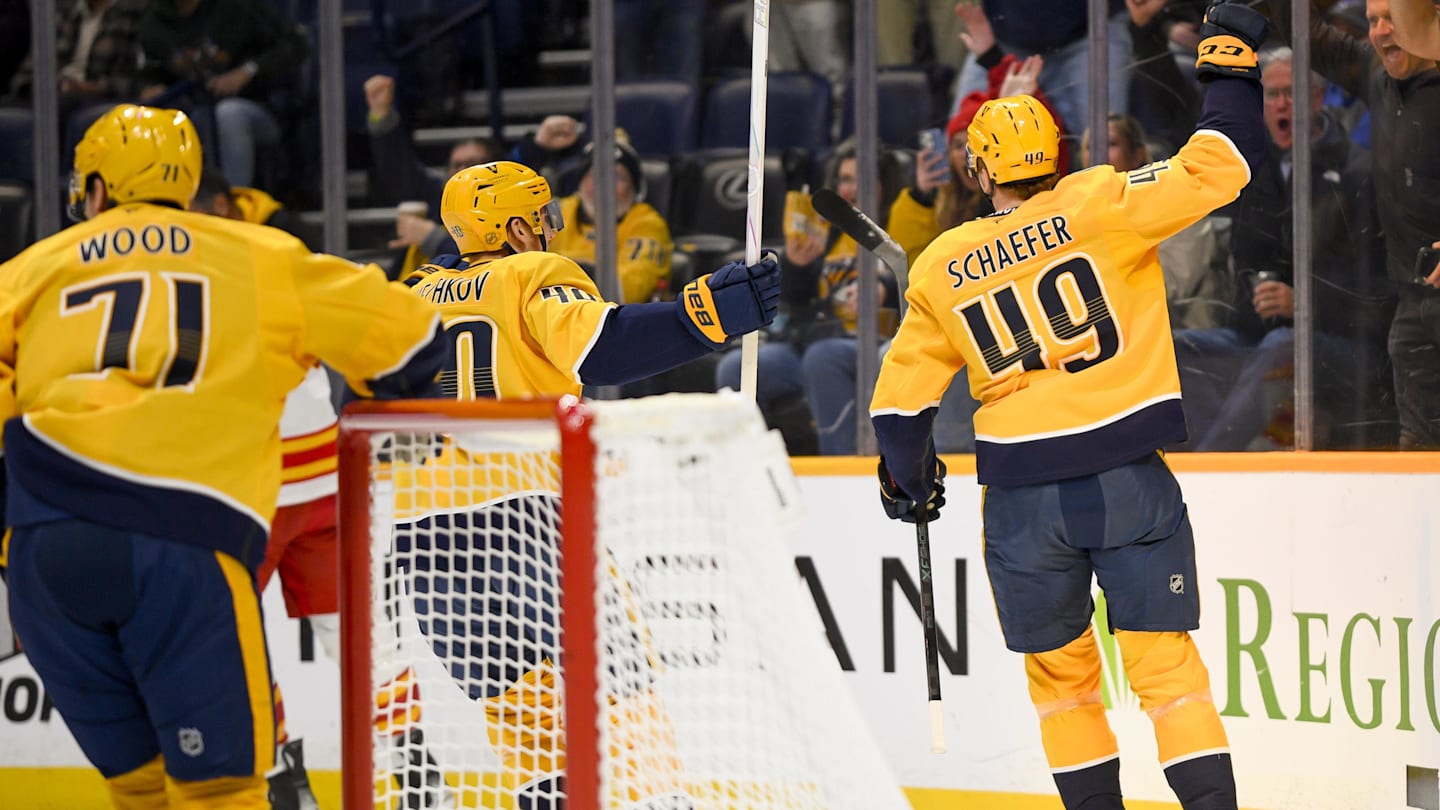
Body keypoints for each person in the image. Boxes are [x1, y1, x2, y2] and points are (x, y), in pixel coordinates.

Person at [870, 2, 1269, 807]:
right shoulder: (1099, 201)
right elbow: (1221, 163)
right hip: (1127, 478)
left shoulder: (942, 263)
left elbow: (899, 409)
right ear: (1054, 152)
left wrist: (908, 483)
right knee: (1168, 675)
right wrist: (1228, 56)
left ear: (979, 173)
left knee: (1064, 688)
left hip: (1023, 504)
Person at [0, 103, 447, 809]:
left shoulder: (28, 269)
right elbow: (418, 341)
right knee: (219, 792)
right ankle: (409, 774)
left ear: (93, 191)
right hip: (187, 538)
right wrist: (396, 397)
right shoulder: (258, 254)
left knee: (139, 789)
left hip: (45, 554)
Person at [393, 159, 780, 808]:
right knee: (618, 679)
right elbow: (602, 348)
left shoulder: (408, 292)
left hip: (424, 539)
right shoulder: (533, 272)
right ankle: (656, 801)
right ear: (514, 227)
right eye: (542, 217)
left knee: (520, 711)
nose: (549, 228)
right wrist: (708, 313)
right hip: (524, 516)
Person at [1173, 46, 1394, 450]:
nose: (1280, 104)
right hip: (1263, 335)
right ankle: (1182, 458)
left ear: (1316, 98)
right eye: (1270, 95)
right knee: (1179, 346)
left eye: (1289, 93)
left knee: (1282, 345)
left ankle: (1212, 464)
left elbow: (1377, 293)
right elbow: (1246, 271)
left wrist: (1303, 303)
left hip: (1344, 347)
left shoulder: (1356, 173)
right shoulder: (1252, 174)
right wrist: (1258, 300)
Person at [1272, 0, 1440, 448]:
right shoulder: (1376, 74)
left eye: (1393, 19)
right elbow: (1305, 33)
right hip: (1415, 308)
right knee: (1417, 452)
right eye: (1372, 21)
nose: (1382, 32)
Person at [136, 0, 309, 189]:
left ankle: (232, 202)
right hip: (191, 111)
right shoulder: (154, 20)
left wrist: (247, 71)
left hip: (259, 109)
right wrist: (148, 87)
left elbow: (296, 45)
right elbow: (148, 72)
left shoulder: (237, 7)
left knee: (229, 114)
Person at [1081, 114, 1229, 331]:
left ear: (1137, 155)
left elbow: (1172, 286)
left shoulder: (1175, 202)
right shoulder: (1074, 215)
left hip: (1185, 338)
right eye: (1089, 146)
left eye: (1110, 144)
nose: (1097, 153)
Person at [364, 73, 505, 276]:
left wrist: (432, 239)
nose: (462, 170)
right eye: (456, 164)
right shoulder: (437, 197)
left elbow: (492, 266)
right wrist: (381, 115)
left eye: (472, 163)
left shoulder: (505, 209)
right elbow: (399, 170)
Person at [548, 134, 674, 304]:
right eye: (595, 175)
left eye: (618, 177)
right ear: (580, 183)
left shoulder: (648, 224)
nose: (604, 185)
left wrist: (553, 271)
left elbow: (625, 291)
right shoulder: (559, 211)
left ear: (634, 189)